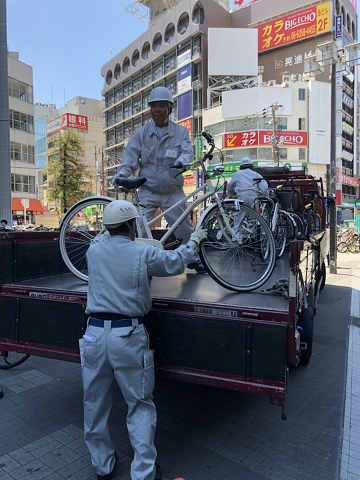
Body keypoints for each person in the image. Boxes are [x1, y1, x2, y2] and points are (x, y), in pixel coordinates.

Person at [80, 199, 207, 480]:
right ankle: (143, 472)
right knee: (138, 404)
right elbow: (175, 263)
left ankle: (102, 466)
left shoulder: (94, 250)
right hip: (128, 335)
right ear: (132, 226)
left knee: (94, 403)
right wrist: (195, 240)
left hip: (93, 334)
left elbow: (106, 235)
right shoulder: (141, 253)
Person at [112, 86, 205, 273]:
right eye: (154, 106)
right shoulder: (142, 133)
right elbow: (130, 157)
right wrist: (122, 174)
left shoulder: (180, 132)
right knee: (136, 226)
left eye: (163, 106)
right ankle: (135, 261)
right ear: (150, 109)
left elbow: (187, 151)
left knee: (184, 228)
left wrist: (182, 161)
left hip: (173, 191)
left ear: (170, 109)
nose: (158, 110)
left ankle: (192, 258)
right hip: (148, 190)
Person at [227, 158, 268, 239]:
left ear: (241, 166)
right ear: (251, 166)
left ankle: (235, 239)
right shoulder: (255, 174)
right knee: (254, 219)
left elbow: (230, 187)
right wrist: (262, 194)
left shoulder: (237, 174)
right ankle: (253, 238)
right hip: (254, 199)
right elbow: (264, 187)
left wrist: (232, 194)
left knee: (239, 219)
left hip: (242, 199)